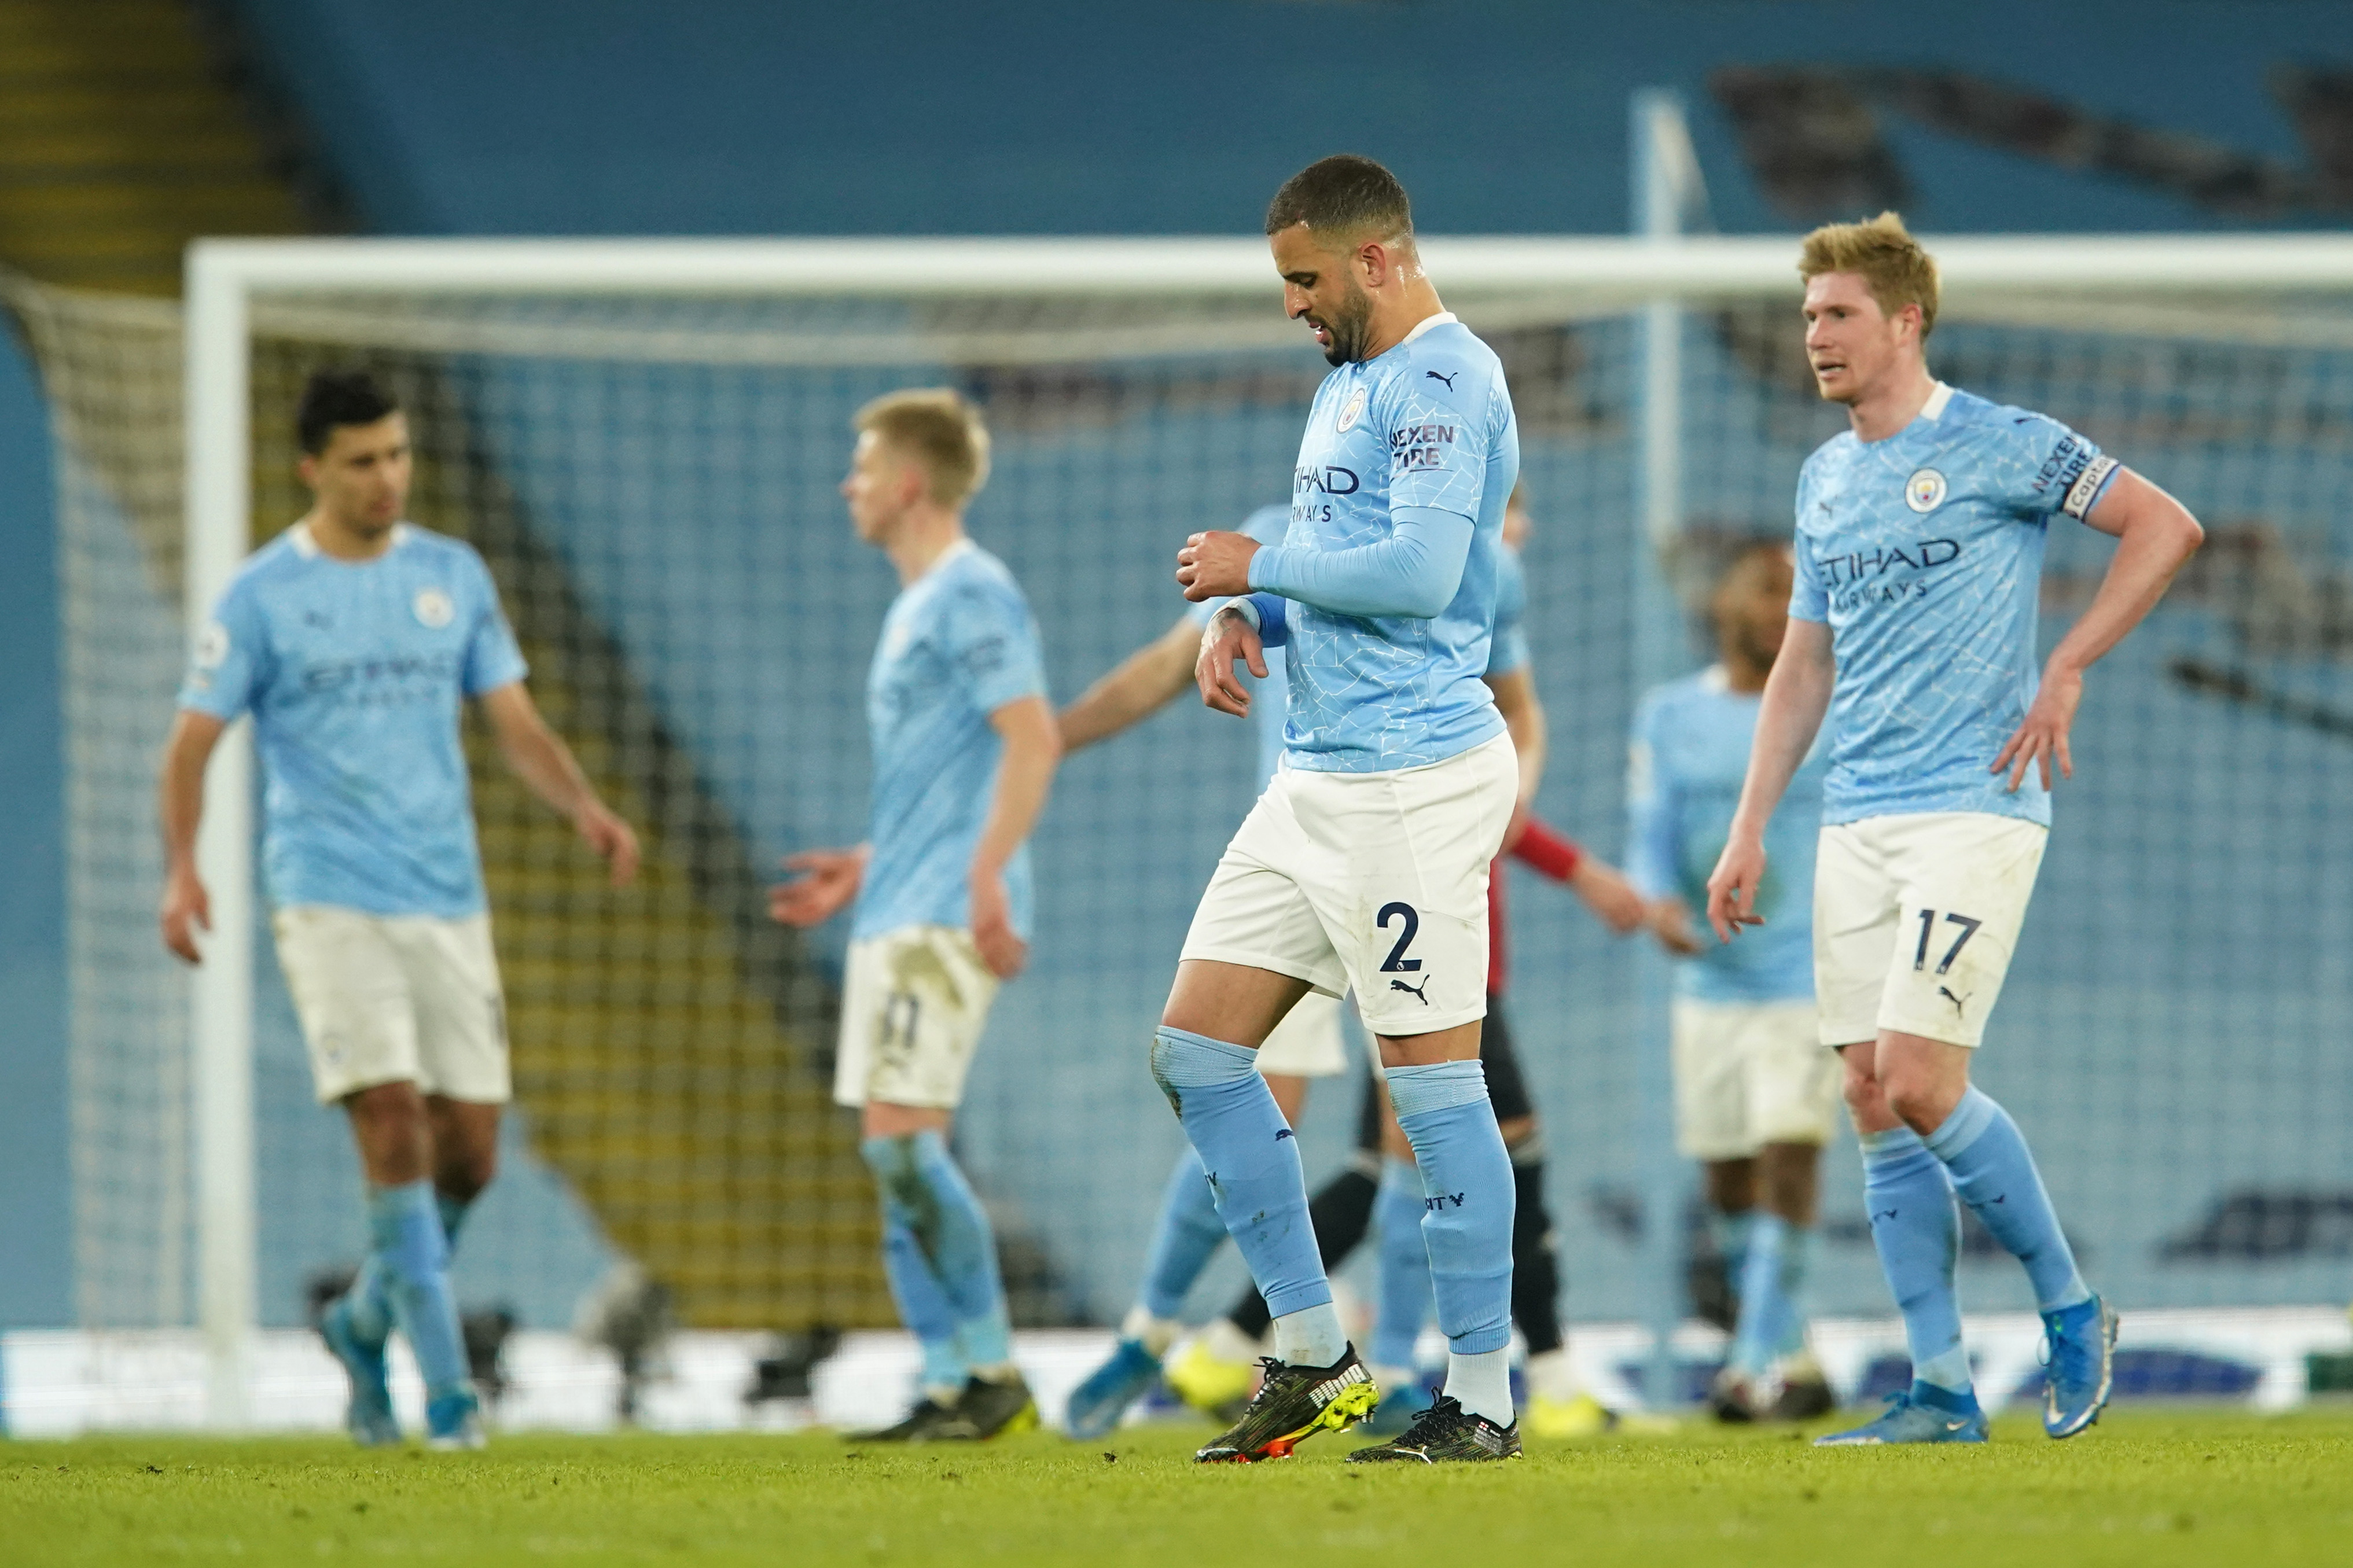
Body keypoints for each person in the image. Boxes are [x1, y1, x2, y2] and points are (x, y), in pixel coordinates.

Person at [1705, 214, 2204, 1445]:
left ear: (1904, 321)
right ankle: (1938, 1385)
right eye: (1808, 315)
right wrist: (1749, 824)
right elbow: (1800, 667)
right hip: (1855, 816)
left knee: (1922, 1079)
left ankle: (2072, 1308)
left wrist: (2067, 665)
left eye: (1838, 314)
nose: (1815, 335)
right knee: (1868, 1092)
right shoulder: (1822, 479)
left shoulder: (2000, 441)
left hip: (1974, 803)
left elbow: (2165, 526)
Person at [1057, 492, 1642, 1442]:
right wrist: (1054, 734)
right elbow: (1169, 662)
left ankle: (1422, 1371)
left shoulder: (1467, 559)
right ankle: (1184, 1334)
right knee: (1223, 1076)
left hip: (1400, 836)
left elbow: (1516, 710)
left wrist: (1507, 816)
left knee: (1416, 1119)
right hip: (1299, 842)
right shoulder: (1285, 530)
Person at [159, 370, 640, 1451]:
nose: (388, 478)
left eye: (398, 455)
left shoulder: (450, 576)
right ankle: (450, 1398)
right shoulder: (262, 595)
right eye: (364, 461)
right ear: (312, 469)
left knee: (472, 1153)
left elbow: (513, 721)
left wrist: (584, 807)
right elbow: (190, 744)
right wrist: (182, 869)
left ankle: (363, 1321)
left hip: (446, 899)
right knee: (391, 1121)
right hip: (327, 899)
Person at [1160, 153, 1524, 1464]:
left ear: (1377, 258)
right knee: (1196, 1051)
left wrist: (1255, 560)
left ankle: (1481, 1394)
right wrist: (1253, 614)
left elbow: (1422, 574)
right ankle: (1314, 1352)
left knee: (1431, 1091)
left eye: (1304, 278)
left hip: (1408, 778)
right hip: (1315, 771)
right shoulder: (1348, 385)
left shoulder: (1444, 377)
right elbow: (1345, 567)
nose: (1292, 305)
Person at [769, 388, 1061, 1444]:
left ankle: (990, 1370)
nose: (846, 485)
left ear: (906, 482)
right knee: (892, 1153)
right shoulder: (917, 601)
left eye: (861, 467)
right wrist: (868, 861)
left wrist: (985, 875)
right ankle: (947, 1380)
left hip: (945, 909)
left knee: (901, 1147)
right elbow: (947, 775)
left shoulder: (971, 592)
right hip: (901, 895)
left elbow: (1032, 737)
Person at [1356, 490, 1646, 1440]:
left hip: (1458, 930)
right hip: (1429, 925)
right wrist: (1582, 871)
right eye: (1514, 509)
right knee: (1484, 1145)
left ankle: (1385, 1363)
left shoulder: (1479, 627)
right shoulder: (1431, 616)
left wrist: (1575, 867)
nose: (1523, 529)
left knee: (1401, 1152)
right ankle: (1509, 1369)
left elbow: (1497, 796)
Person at [1631, 542, 1837, 1424]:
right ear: (1724, 606)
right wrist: (1655, 901)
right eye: (1763, 589)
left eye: (1789, 593)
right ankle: (1794, 1350)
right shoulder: (1670, 714)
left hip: (1804, 970)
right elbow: (1649, 825)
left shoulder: (1830, 707)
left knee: (1790, 1148)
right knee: (1726, 1176)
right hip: (1711, 979)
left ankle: (1749, 1361)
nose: (1773, 607)